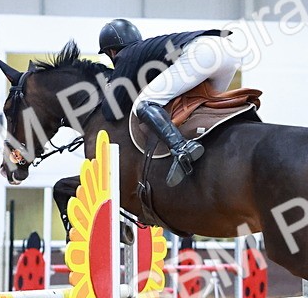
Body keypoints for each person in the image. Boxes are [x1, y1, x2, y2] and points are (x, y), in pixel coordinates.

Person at [98, 19, 240, 187]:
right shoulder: (145, 51)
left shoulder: (126, 55)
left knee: (144, 103)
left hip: (203, 53)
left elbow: (110, 111)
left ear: (112, 52)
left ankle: (181, 149)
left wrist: (108, 89)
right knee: (204, 107)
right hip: (228, 51)